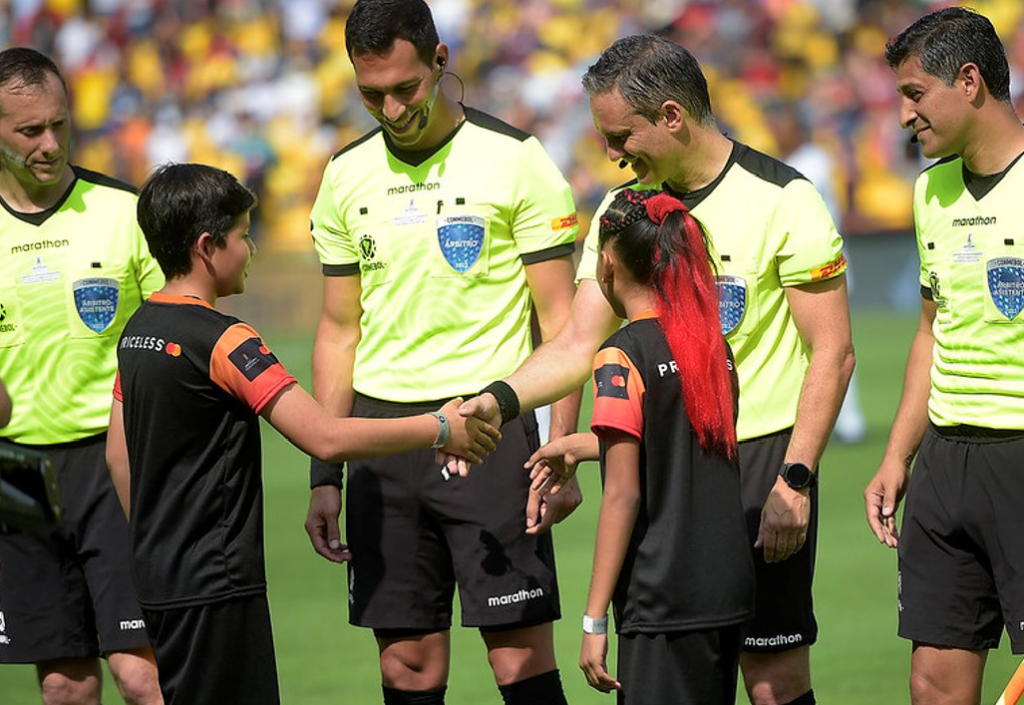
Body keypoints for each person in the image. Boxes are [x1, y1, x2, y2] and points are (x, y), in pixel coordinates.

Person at [462, 35, 855, 705]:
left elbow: (833, 351)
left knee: (773, 680)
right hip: (664, 472)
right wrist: (498, 400)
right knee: (666, 675)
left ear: (671, 115)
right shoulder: (623, 213)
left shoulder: (783, 197)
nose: (614, 153)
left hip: (760, 463)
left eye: (622, 135)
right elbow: (576, 342)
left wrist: (796, 476)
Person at [106, 163, 498, 705]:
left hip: (158, 576)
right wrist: (440, 427)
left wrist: (159, 542)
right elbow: (324, 436)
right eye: (243, 235)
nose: (252, 249)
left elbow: (118, 456)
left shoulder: (138, 330)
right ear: (206, 247)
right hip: (218, 578)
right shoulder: (225, 340)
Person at [302, 1, 582, 703]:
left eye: (406, 88)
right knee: (407, 667)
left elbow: (562, 324)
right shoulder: (343, 174)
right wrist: (324, 475)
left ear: (440, 60)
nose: (392, 110)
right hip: (382, 439)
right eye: (372, 95)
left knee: (519, 661)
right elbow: (338, 329)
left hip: (490, 429)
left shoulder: (516, 160)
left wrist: (561, 449)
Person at [863, 8, 1024, 704]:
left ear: (968, 81)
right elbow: (931, 330)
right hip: (944, 464)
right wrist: (897, 456)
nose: (904, 115)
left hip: (1019, 453)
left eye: (915, 93)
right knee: (932, 683)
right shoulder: (930, 190)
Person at [0, 47, 164, 705]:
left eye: (59, 125)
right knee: (64, 685)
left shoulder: (124, 211)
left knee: (141, 673)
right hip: (16, 473)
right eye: (29, 130)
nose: (50, 143)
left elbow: (177, 331)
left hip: (114, 461)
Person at [562, 187, 754, 703]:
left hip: (662, 594)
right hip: (726, 587)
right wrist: (584, 445)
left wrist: (594, 618)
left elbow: (623, 494)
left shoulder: (620, 354)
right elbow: (683, 444)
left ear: (607, 263)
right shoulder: (713, 345)